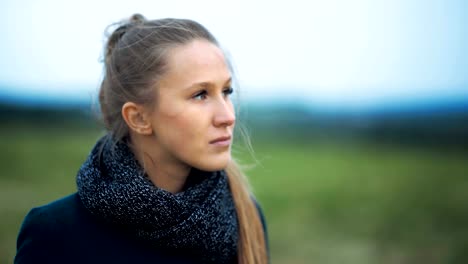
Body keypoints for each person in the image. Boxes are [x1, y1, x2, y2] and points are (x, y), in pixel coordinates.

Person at [14, 14, 268, 264]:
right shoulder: (56, 235)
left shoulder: (244, 218)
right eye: (200, 94)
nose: (227, 116)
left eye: (226, 91)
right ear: (138, 118)